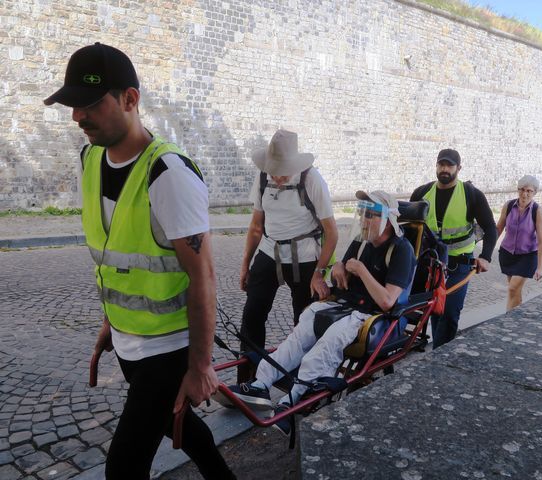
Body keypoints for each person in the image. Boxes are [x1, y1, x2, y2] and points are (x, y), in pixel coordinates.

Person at [44, 43, 234, 479]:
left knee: (124, 469)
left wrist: (201, 367)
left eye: (90, 103)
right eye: (73, 105)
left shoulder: (168, 176)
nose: (77, 117)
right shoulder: (89, 159)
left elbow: (202, 275)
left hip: (166, 351)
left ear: (130, 99)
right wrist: (113, 321)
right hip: (131, 345)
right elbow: (119, 257)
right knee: (176, 422)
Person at [218, 190, 416, 435]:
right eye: (363, 213)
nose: (364, 220)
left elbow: (387, 301)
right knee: (304, 323)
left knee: (331, 339)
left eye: (371, 215)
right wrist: (339, 268)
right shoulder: (362, 241)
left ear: (388, 219)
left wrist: (362, 270)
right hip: (345, 305)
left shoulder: (401, 250)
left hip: (373, 315)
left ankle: (294, 399)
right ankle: (261, 383)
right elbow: (343, 267)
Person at [237, 129, 338, 382]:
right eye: (273, 170)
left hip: (304, 257)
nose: (277, 177)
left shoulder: (311, 179)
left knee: (303, 322)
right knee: (252, 315)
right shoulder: (262, 177)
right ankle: (249, 380)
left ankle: (299, 382)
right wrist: (245, 264)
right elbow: (256, 226)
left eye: (281, 171)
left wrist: (319, 273)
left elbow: (332, 233)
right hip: (269, 251)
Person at [410, 149, 497, 349]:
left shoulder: (471, 195)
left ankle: (440, 356)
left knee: (449, 313)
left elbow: (490, 228)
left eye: (449, 165)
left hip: (459, 265)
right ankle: (437, 350)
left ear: (459, 168)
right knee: (433, 309)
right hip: (430, 264)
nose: (445, 169)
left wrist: (485, 257)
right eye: (441, 165)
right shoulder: (421, 193)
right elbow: (410, 227)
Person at [496, 175, 542, 311]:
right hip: (507, 254)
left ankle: (508, 319)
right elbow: (499, 228)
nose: (524, 194)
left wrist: (540, 267)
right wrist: (487, 251)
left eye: (529, 191)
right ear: (518, 190)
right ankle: (516, 317)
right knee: (515, 291)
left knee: (512, 288)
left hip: (527, 256)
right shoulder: (509, 206)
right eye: (522, 190)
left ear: (534, 192)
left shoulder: (537, 211)